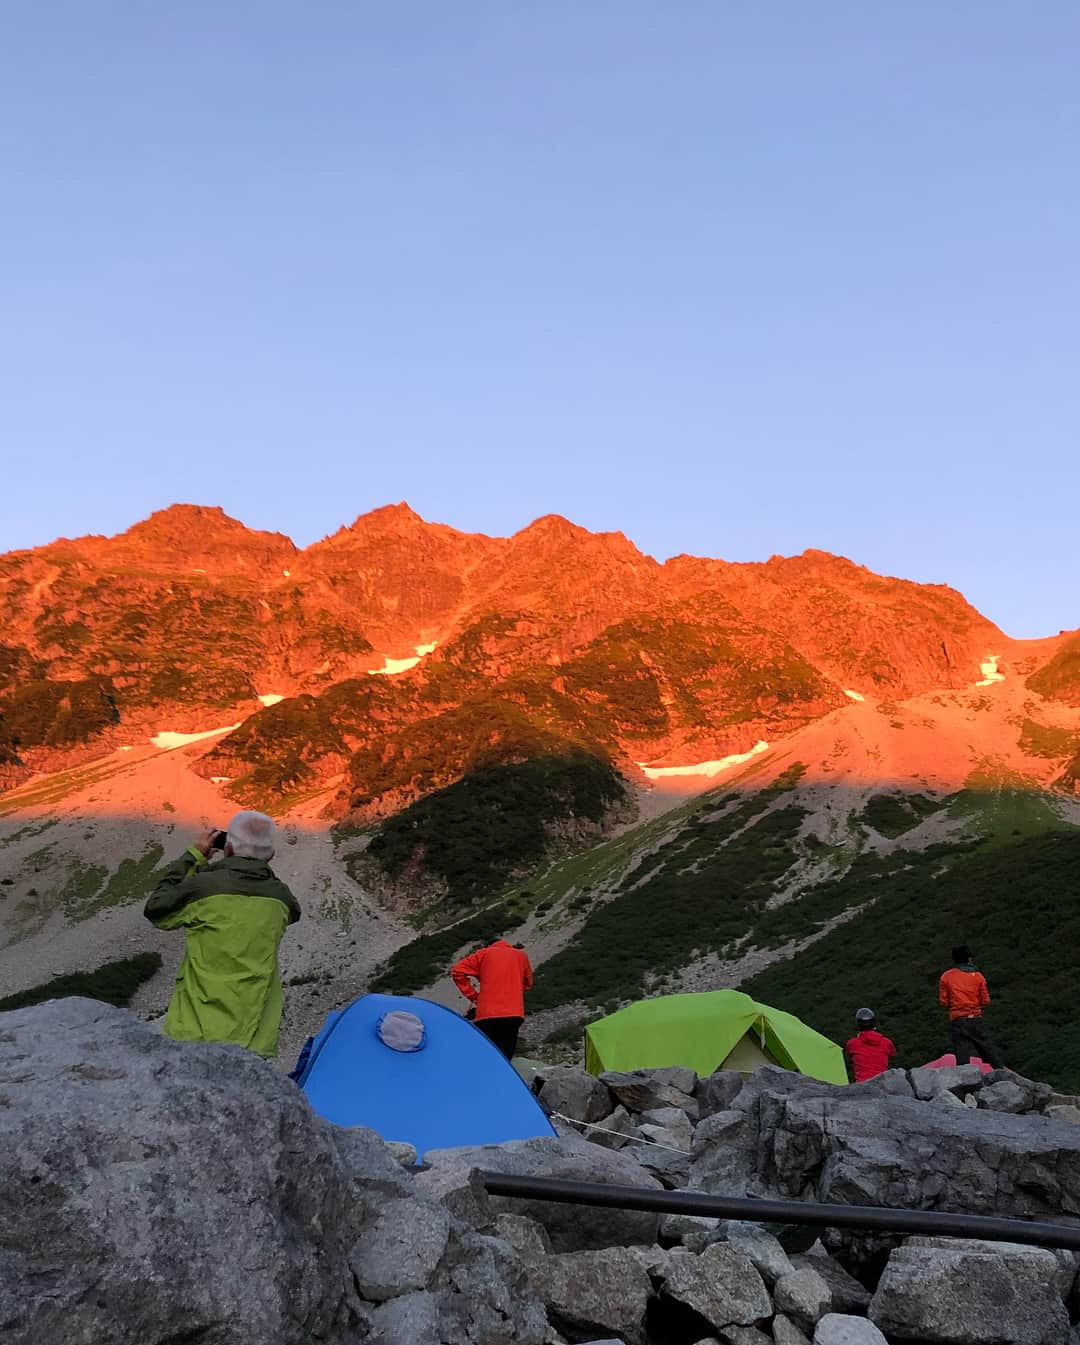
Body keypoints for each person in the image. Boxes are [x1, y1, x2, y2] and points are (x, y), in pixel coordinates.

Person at [144, 811, 301, 1059]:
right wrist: (258, 867)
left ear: (227, 848)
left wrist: (194, 857)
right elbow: (292, 910)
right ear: (271, 856)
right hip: (254, 1042)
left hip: (194, 1033)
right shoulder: (281, 899)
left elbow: (156, 909)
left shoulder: (202, 888)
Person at [451, 938, 533, 1059]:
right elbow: (528, 984)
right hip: (513, 1013)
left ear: (489, 945)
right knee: (505, 1053)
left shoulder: (483, 954)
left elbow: (457, 971)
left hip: (486, 1013)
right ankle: (504, 1076)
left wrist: (473, 996)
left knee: (485, 1053)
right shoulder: (521, 956)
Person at [938, 944, 1003, 1069]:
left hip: (957, 1019)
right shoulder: (978, 976)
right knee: (987, 1048)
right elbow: (986, 1001)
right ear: (969, 959)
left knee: (962, 1056)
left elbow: (943, 1002)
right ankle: (1000, 1072)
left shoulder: (946, 976)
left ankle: (965, 1083)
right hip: (975, 1018)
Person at [845, 1007, 897, 1082]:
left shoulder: (852, 1043)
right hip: (883, 1084)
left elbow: (849, 1056)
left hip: (861, 1085)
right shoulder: (886, 1042)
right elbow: (893, 1055)